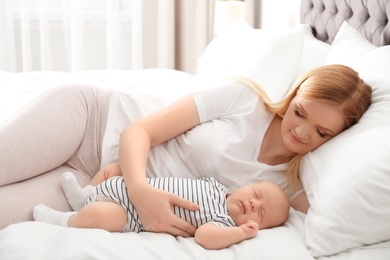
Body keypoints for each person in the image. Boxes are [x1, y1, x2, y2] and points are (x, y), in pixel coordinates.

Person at [0, 64, 372, 234]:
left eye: (322, 133)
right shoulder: (243, 99)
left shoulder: (287, 187)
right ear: (293, 94)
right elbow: (138, 130)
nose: (301, 132)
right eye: (300, 112)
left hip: (97, 189)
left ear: (336, 138)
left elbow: (350, 209)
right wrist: (141, 191)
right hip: (91, 121)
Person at [33, 162, 290, 249]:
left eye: (261, 213)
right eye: (256, 193)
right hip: (132, 187)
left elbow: (204, 237)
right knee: (114, 168)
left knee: (103, 215)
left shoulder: (223, 221)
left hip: (130, 214)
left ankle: (63, 220)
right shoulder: (218, 186)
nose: (253, 203)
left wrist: (240, 233)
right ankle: (84, 198)